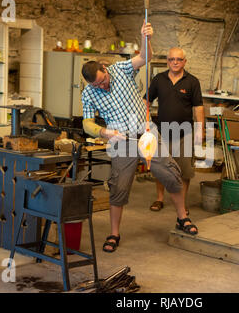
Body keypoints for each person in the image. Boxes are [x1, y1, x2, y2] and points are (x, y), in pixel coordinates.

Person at [81, 22, 198, 253]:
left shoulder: (121, 69)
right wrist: (104, 132)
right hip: (120, 141)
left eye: (102, 81)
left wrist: (146, 37)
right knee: (119, 186)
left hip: (146, 134)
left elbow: (145, 57)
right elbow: (87, 123)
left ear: (105, 69)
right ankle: (114, 233)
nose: (102, 86)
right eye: (97, 85)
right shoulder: (89, 93)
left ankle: (182, 217)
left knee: (171, 174)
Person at [146, 47, 204, 214]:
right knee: (160, 168)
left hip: (184, 132)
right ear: (167, 61)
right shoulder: (159, 79)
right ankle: (159, 199)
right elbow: (146, 101)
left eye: (179, 59)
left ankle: (182, 204)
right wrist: (145, 122)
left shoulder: (192, 81)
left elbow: (198, 107)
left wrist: (200, 130)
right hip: (162, 131)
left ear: (184, 61)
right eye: (172, 59)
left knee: (184, 170)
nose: (175, 62)